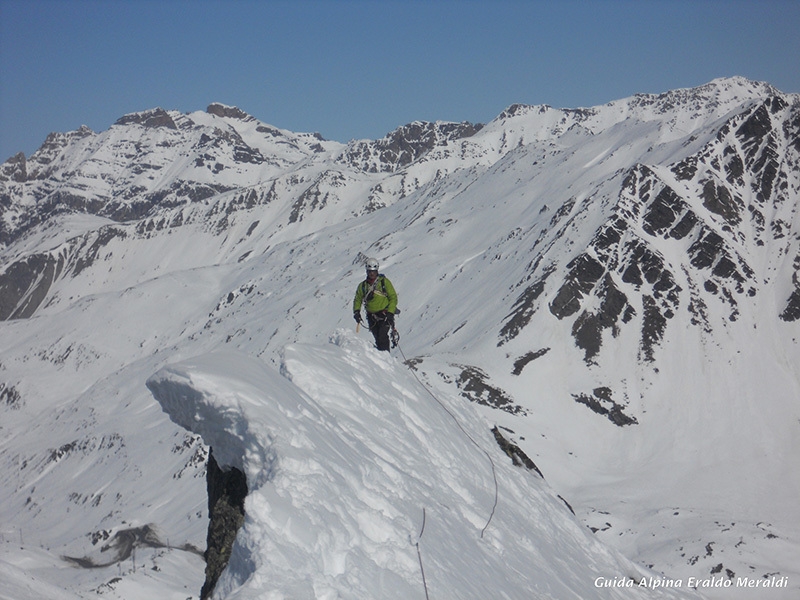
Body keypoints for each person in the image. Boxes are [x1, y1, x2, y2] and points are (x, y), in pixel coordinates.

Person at [353, 258, 398, 351]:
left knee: (382, 336)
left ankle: (386, 357)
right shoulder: (363, 286)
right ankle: (382, 358)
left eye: (373, 271)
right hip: (371, 316)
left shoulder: (384, 282)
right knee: (377, 338)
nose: (372, 273)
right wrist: (356, 311)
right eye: (370, 271)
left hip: (385, 314)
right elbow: (358, 299)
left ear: (377, 270)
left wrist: (390, 312)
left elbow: (393, 297)